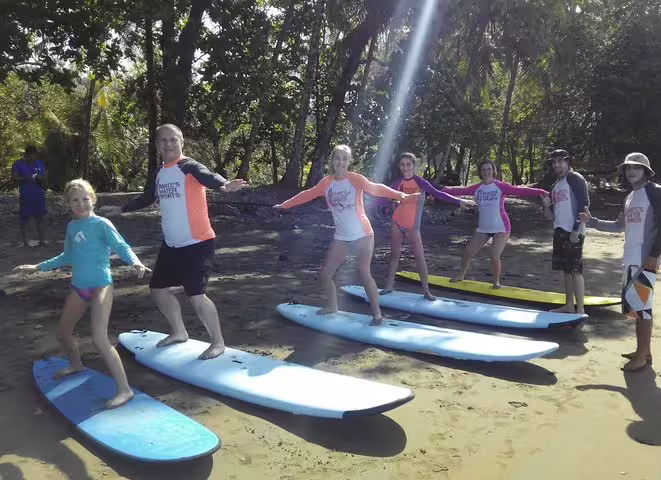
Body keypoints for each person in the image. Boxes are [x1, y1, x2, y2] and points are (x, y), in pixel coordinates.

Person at [100, 124, 248, 360]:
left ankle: (218, 342)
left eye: (173, 140)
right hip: (171, 244)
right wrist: (120, 208)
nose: (168, 144)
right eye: (163, 140)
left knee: (197, 296)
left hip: (197, 242)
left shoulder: (187, 166)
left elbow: (206, 175)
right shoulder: (161, 172)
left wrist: (223, 185)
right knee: (158, 290)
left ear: (181, 143)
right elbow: (148, 197)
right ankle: (179, 332)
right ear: (158, 145)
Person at [13, 179, 151, 409]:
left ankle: (125, 390)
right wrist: (37, 267)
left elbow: (122, 246)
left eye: (85, 198)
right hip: (79, 287)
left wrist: (135, 262)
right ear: (67, 203)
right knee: (63, 333)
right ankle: (76, 365)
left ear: (93, 199)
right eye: (75, 200)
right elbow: (66, 256)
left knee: (99, 338)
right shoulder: (72, 227)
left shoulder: (102, 224)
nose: (81, 204)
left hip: (101, 286)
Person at [274, 144, 420, 326]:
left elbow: (376, 188)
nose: (341, 162)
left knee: (363, 271)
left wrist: (399, 195)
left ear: (349, 162)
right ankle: (332, 305)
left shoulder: (355, 179)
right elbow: (307, 194)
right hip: (342, 237)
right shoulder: (326, 183)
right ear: (332, 161)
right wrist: (284, 205)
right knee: (325, 273)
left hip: (363, 234)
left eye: (344, 159)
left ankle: (377, 315)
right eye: (337, 158)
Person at [579, 153, 661, 372]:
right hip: (630, 257)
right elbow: (619, 226)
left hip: (645, 257)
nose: (631, 172)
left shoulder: (656, 192)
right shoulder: (630, 196)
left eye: (637, 168)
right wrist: (591, 221)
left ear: (646, 171)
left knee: (642, 308)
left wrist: (655, 253)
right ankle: (644, 351)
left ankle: (641, 356)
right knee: (637, 306)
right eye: (628, 168)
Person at [379, 152, 474, 300]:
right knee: (394, 256)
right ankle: (389, 286)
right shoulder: (397, 183)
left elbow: (438, 194)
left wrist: (458, 201)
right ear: (399, 166)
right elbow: (384, 199)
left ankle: (426, 292)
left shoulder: (420, 182)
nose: (405, 167)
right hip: (397, 222)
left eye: (408, 164)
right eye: (402, 164)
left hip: (413, 227)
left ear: (413, 165)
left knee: (419, 258)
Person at [442, 160, 549, 288]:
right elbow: (458, 191)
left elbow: (521, 191)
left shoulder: (500, 186)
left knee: (494, 254)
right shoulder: (476, 188)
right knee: (468, 252)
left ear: (493, 171)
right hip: (484, 227)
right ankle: (461, 275)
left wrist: (541, 191)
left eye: (489, 169)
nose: (486, 172)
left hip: (501, 227)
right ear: (480, 172)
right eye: (484, 169)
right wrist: (438, 190)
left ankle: (496, 281)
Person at [541, 149, 589, 314]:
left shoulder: (574, 178)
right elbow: (550, 216)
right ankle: (569, 305)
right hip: (559, 230)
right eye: (554, 162)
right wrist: (546, 206)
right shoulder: (555, 186)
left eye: (560, 161)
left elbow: (584, 205)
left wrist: (576, 229)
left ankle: (580, 309)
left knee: (575, 270)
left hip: (573, 231)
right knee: (566, 271)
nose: (557, 165)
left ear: (568, 163)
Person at [12, 145, 48, 247]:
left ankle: (42, 241)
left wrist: (42, 177)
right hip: (26, 194)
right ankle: (25, 242)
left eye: (35, 155)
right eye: (31, 155)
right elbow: (15, 177)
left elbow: (44, 175)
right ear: (27, 154)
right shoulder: (18, 163)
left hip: (39, 194)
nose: (33, 157)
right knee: (24, 219)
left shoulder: (39, 163)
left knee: (40, 218)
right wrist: (26, 177)